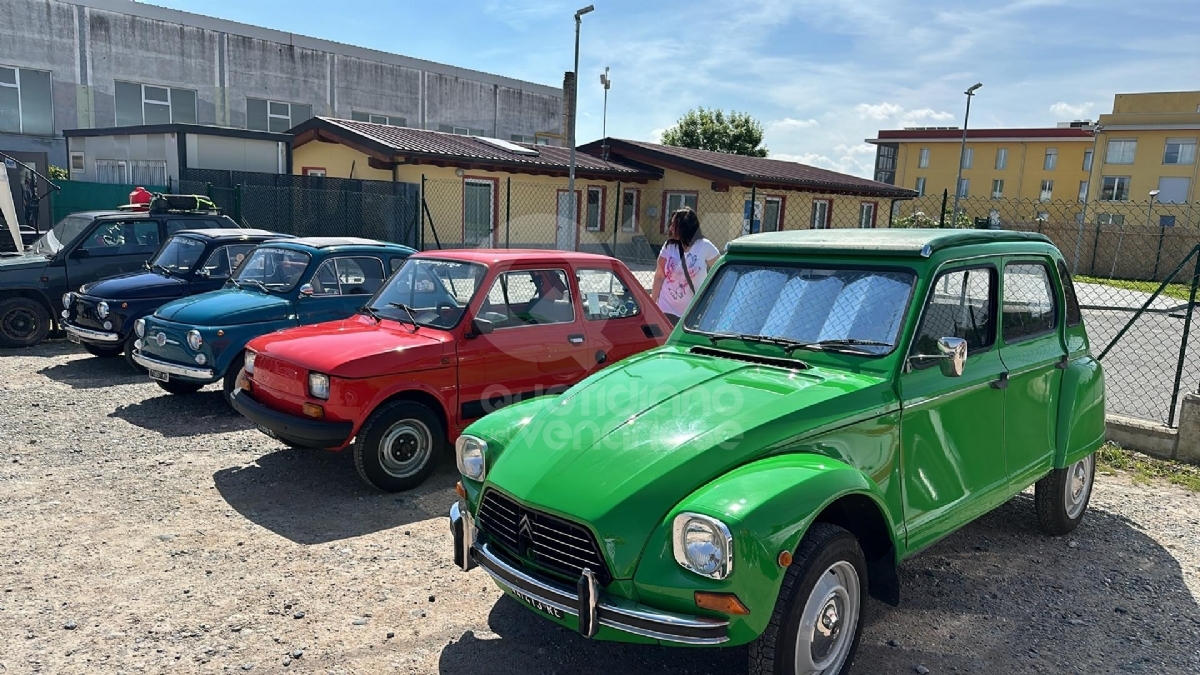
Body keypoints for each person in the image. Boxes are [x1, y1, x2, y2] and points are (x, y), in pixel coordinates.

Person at [651, 207, 719, 325]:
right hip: (666, 307)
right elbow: (659, 275)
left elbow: (719, 272)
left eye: (674, 225)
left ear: (686, 227)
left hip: (692, 310)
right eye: (671, 224)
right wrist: (652, 303)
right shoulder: (669, 246)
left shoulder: (704, 246)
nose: (671, 228)